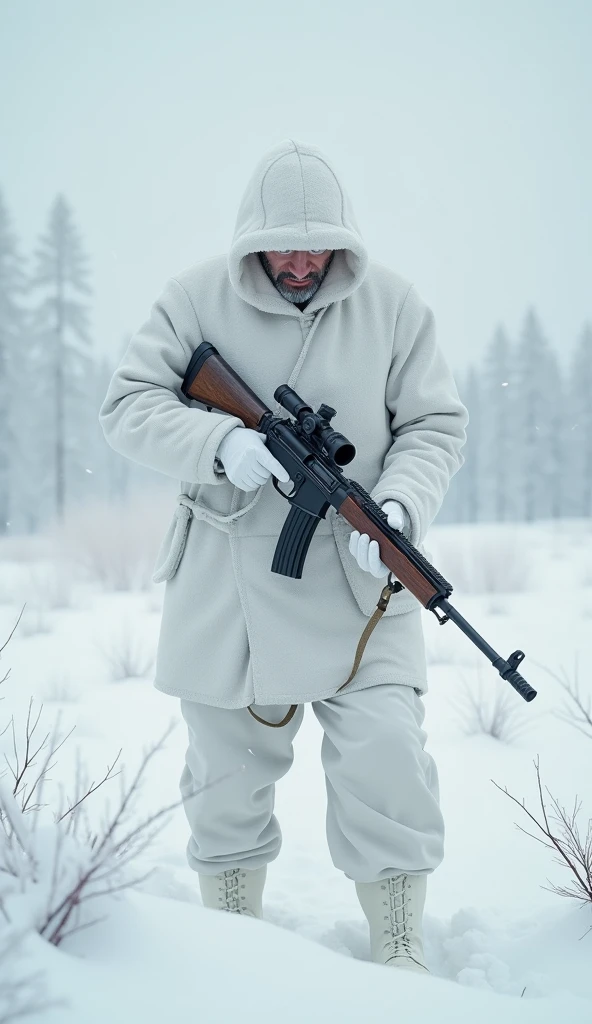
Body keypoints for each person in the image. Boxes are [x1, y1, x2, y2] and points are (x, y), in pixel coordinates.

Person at [99, 139, 469, 974]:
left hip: (365, 577)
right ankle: (236, 952)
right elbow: (125, 407)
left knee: (388, 759)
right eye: (284, 243)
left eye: (319, 243)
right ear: (250, 238)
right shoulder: (191, 299)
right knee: (226, 778)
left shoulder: (395, 306)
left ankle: (401, 943)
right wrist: (220, 444)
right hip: (226, 583)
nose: (302, 261)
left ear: (345, 238)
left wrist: (402, 506)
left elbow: (435, 426)